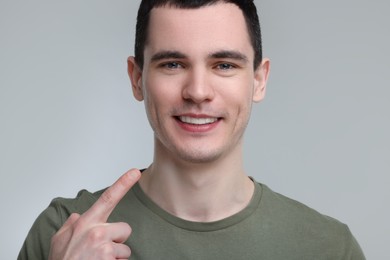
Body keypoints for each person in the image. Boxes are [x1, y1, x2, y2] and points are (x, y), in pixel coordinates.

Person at [18, 0, 365, 259]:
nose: (198, 91)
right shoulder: (65, 233)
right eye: (172, 64)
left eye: (224, 65)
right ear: (137, 79)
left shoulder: (329, 248)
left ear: (259, 80)